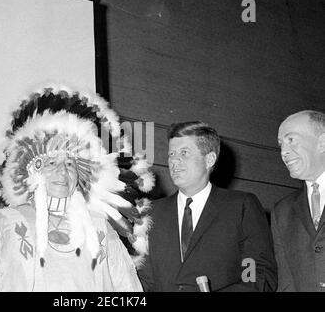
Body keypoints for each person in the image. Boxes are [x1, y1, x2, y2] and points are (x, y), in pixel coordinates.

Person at [0, 85, 154, 291]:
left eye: (70, 164)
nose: (62, 172)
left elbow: (129, 290)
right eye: (52, 163)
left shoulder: (100, 228)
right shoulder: (1, 224)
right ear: (33, 171)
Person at [137, 121, 277, 291]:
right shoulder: (152, 212)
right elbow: (143, 280)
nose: (174, 161)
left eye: (184, 153)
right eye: (171, 154)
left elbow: (258, 274)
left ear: (209, 159)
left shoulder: (241, 206)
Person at [272, 110, 325, 291]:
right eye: (281, 145)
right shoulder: (282, 211)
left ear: (322, 142)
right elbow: (287, 283)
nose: (283, 152)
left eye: (291, 140)